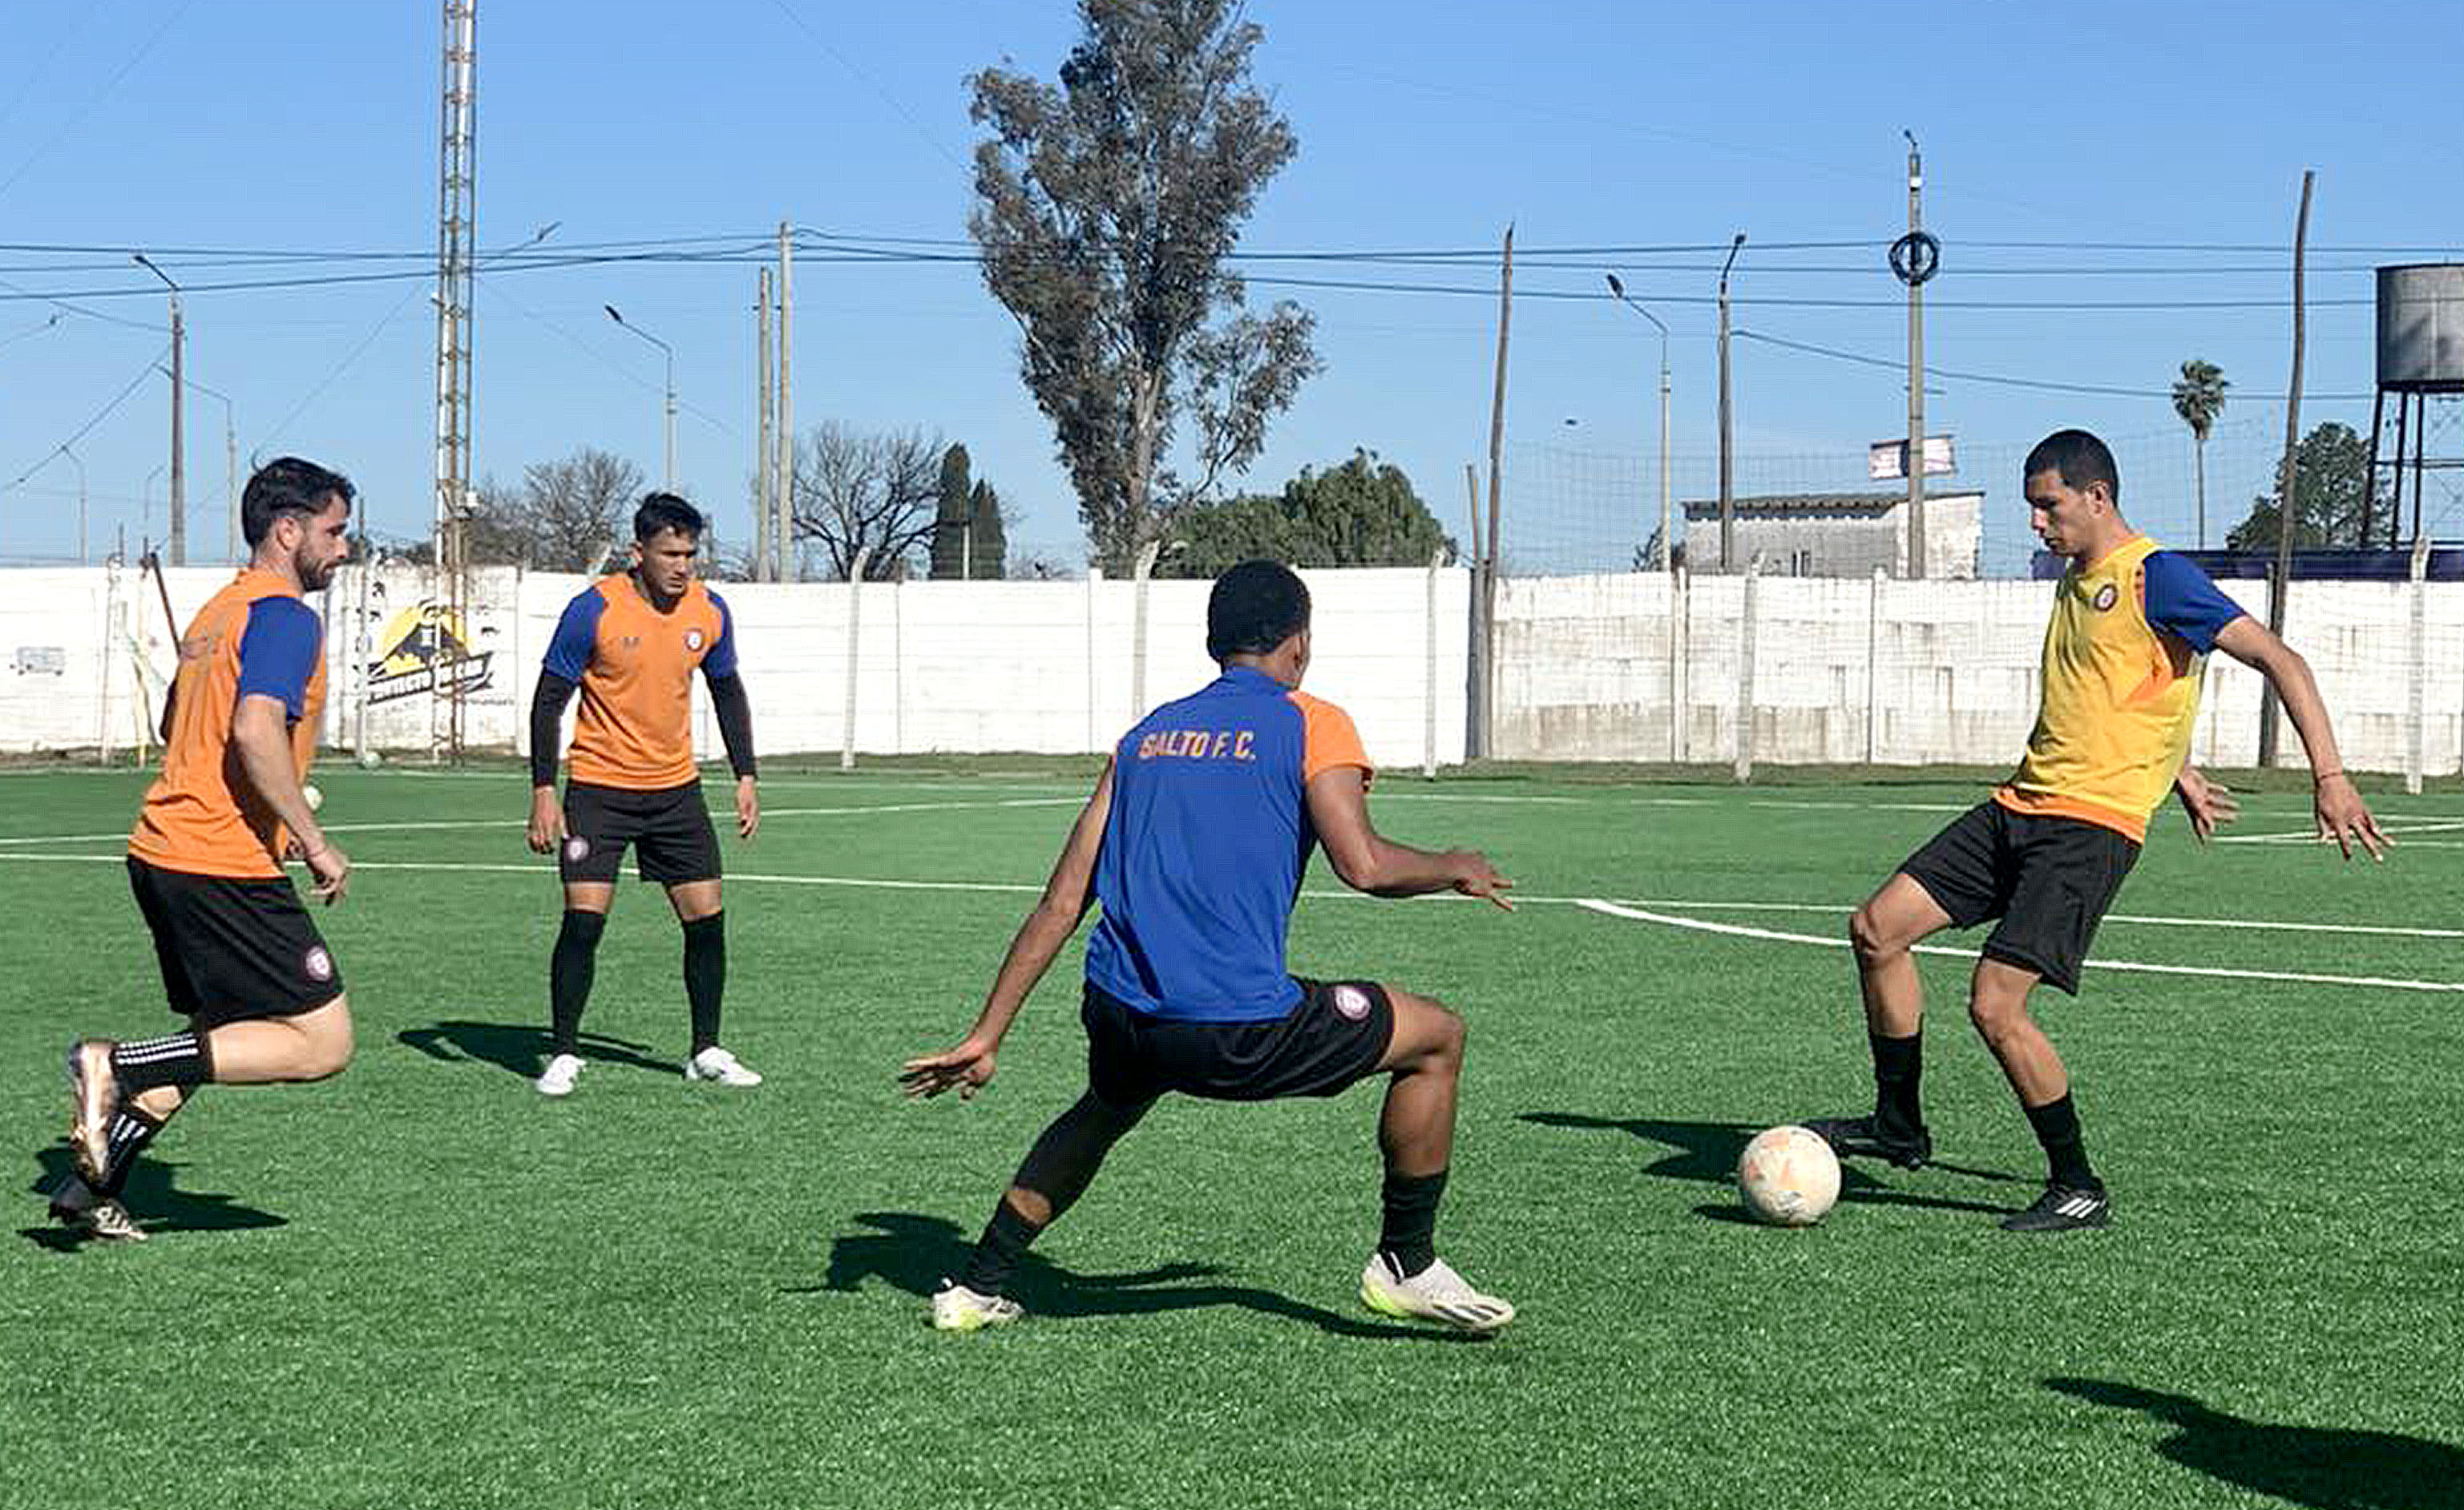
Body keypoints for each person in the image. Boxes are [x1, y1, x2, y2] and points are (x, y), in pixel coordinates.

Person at [902, 560, 1519, 1334]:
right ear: (1299, 645)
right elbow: (1362, 865)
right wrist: (1451, 865)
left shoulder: (1147, 737)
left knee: (1105, 1107)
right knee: (1436, 1037)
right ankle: (1406, 1262)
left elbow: (1064, 900)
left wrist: (987, 1034)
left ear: (1212, 643)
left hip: (1122, 1014)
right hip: (1232, 1029)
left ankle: (976, 1285)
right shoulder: (1311, 719)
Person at [1805, 428, 2389, 1231]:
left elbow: (2280, 661)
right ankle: (1897, 1128)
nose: (2038, 525)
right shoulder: (2073, 581)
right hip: (2019, 806)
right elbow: (2126, 687)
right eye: (2032, 510)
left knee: (1994, 1004)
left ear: (2095, 496)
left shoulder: (2157, 576)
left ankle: (2076, 1183)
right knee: (1876, 929)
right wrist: (2176, 768)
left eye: (2047, 507)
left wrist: (2328, 776)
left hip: (2088, 829)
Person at [57, 458, 359, 1242]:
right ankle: (112, 1065)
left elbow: (174, 727)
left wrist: (275, 810)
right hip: (216, 859)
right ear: (286, 531)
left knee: (214, 1036)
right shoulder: (288, 616)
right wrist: (313, 836)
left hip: (162, 848)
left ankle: (89, 1190)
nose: (343, 548)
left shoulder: (218, 613)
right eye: (333, 532)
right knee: (322, 1041)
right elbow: (254, 727)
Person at [526, 494, 761, 1096]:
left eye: (690, 553)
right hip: (599, 792)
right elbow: (549, 698)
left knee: (707, 922)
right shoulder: (593, 610)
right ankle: (564, 1051)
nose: (682, 566)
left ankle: (705, 1049)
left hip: (676, 793)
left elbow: (727, 690)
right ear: (639, 552)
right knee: (584, 923)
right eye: (670, 553)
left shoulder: (710, 610)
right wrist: (544, 790)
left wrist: (745, 775)